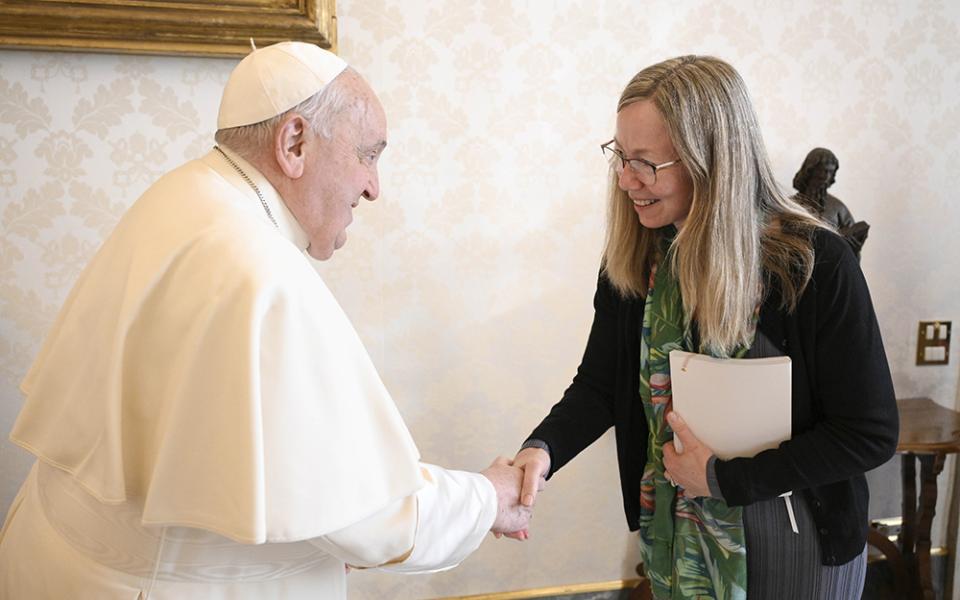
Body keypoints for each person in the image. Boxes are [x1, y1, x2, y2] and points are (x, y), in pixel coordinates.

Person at [0, 42, 531, 599]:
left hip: (53, 560)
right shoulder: (260, 270)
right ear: (294, 142)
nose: (374, 187)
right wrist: (489, 497)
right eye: (368, 155)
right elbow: (371, 516)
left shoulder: (183, 194)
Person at [512, 56, 898, 599]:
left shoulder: (814, 264)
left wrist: (723, 480)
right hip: (674, 536)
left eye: (645, 162)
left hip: (792, 539)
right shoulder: (635, 259)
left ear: (711, 160)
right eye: (621, 156)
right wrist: (542, 450)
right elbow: (601, 385)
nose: (626, 179)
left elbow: (868, 433)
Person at [791, 147, 869, 258]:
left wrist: (853, 248)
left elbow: (853, 249)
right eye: (824, 171)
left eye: (831, 172)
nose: (826, 177)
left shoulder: (838, 208)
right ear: (810, 170)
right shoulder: (789, 205)